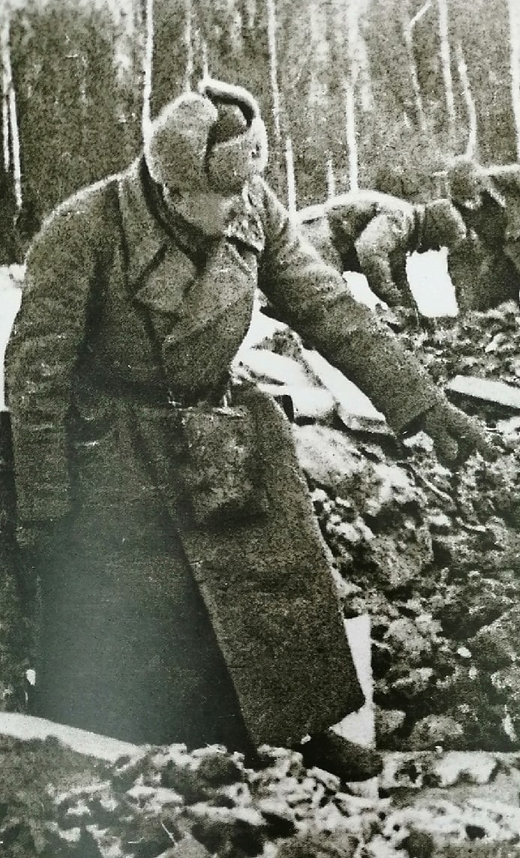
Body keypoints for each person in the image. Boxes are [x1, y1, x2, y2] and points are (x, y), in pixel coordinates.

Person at [3, 79, 493, 782]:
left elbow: (327, 306)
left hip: (220, 425)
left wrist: (423, 405)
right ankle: (148, 771)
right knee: (140, 614)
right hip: (115, 444)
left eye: (247, 191)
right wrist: (44, 504)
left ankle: (301, 727)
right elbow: (35, 374)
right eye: (225, 197)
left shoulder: (252, 204)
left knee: (280, 569)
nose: (243, 207)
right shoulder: (84, 228)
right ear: (173, 190)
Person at [296, 190, 466, 316]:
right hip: (315, 233)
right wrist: (392, 298)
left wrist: (412, 311)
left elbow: (396, 273)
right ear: (433, 229)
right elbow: (370, 252)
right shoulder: (401, 218)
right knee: (330, 306)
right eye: (439, 243)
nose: (435, 248)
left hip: (319, 235)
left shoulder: (407, 227)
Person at [445, 155, 520, 318]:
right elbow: (457, 258)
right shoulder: (456, 210)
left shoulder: (505, 178)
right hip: (497, 245)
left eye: (472, 197)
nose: (471, 204)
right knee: (490, 291)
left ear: (480, 182)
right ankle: (509, 315)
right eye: (465, 200)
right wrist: (465, 302)